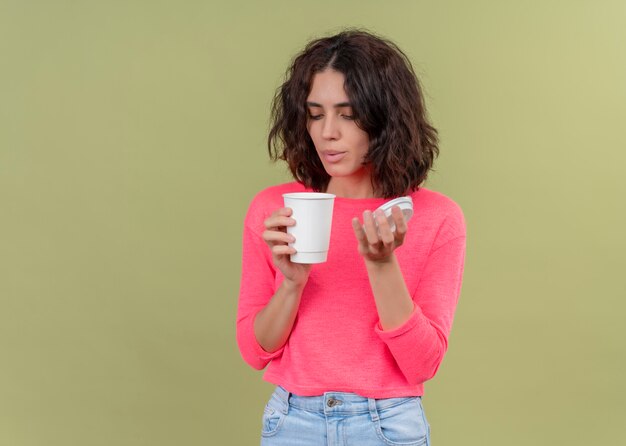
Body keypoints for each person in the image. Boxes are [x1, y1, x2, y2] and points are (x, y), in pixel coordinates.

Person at [236, 29, 466, 446]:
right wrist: (291, 283)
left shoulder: (436, 218)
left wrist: (382, 265)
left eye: (347, 113)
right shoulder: (276, 210)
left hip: (389, 425)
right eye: (315, 113)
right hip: (292, 423)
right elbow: (255, 352)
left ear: (385, 117)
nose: (327, 132)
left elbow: (422, 364)